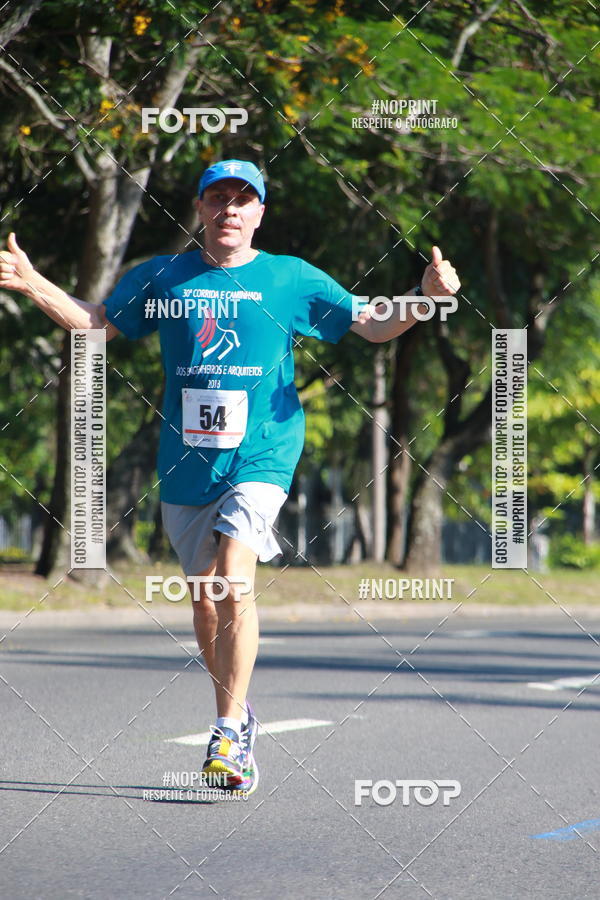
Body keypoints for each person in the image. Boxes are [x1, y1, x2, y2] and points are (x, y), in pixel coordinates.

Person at [0, 159, 460, 794]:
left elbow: (374, 323)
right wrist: (31, 283)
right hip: (187, 461)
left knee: (231, 576)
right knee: (204, 598)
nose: (230, 210)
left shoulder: (290, 278)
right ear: (200, 208)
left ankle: (226, 731)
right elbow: (97, 322)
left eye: (244, 200)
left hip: (263, 455)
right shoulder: (164, 276)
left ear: (260, 214)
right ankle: (236, 717)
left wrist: (425, 298)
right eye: (218, 198)